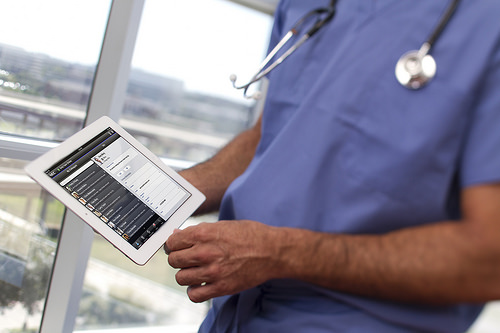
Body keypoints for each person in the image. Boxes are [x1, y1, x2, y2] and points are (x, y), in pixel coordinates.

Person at [165, 0, 500, 332]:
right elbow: (273, 133)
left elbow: (490, 259)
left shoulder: (486, 23)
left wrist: (281, 253)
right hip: (231, 316)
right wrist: (173, 192)